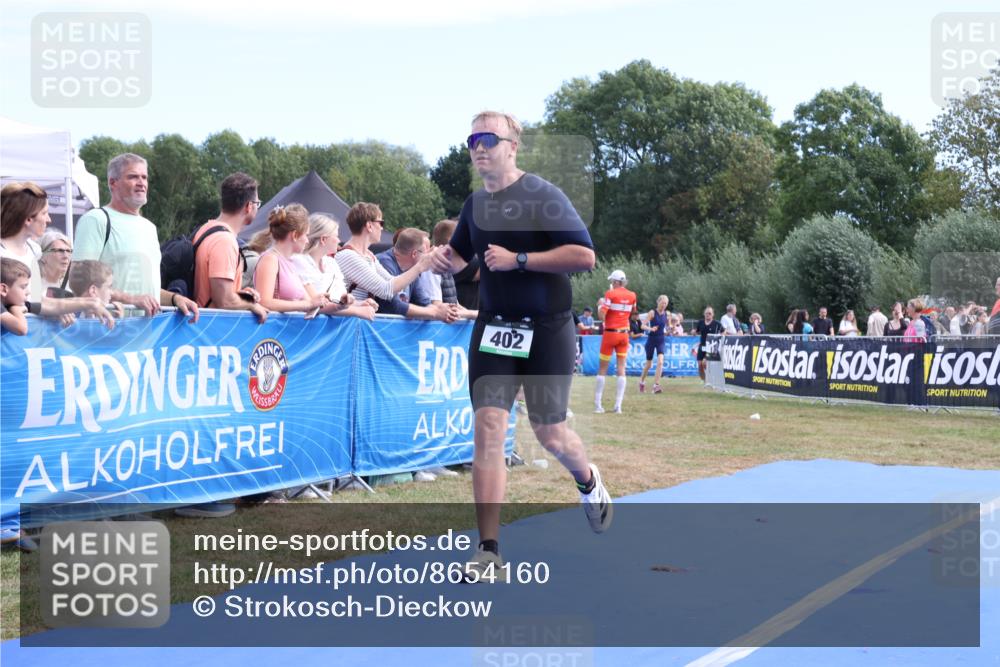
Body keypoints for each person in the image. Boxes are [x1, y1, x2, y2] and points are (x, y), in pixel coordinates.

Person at [428, 110, 611, 580]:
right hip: (494, 328)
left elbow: (584, 256)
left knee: (549, 433)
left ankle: (588, 480)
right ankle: (488, 550)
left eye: (488, 138)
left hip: (547, 328)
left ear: (512, 146)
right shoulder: (474, 204)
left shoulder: (543, 195)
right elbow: (461, 258)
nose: (478, 147)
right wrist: (444, 261)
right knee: (489, 428)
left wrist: (520, 260)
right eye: (472, 140)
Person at [72, 153, 199, 322]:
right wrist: (131, 300)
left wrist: (175, 299)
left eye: (144, 177)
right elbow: (79, 282)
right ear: (113, 183)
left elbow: (148, 293)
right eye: (133, 177)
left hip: (146, 333)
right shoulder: (96, 219)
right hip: (107, 331)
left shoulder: (149, 228)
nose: (141, 183)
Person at [336, 203, 453, 321]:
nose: (382, 228)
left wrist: (438, 309)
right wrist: (420, 266)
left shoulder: (368, 255)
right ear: (369, 226)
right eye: (380, 223)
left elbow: (392, 282)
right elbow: (386, 290)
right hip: (347, 324)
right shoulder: (349, 255)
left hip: (354, 323)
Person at [191, 172, 268, 322]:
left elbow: (211, 290)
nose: (257, 208)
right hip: (212, 327)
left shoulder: (206, 228)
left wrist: (240, 295)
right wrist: (251, 305)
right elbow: (224, 300)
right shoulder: (224, 241)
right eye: (257, 204)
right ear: (249, 206)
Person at [291, 213, 377, 320]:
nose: (339, 240)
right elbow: (315, 304)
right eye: (336, 236)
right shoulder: (299, 261)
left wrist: (360, 304)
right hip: (300, 326)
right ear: (323, 239)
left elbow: (340, 300)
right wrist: (357, 311)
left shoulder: (331, 263)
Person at [253, 204, 332, 316]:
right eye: (306, 235)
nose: (307, 241)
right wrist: (309, 304)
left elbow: (308, 302)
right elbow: (264, 302)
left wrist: (321, 300)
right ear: (295, 235)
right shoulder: (270, 259)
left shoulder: (289, 262)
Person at [375, 228, 457, 321]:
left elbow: (423, 302)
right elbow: (395, 306)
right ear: (414, 254)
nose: (427, 256)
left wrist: (444, 310)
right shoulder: (384, 263)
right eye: (425, 252)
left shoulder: (412, 268)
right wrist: (435, 312)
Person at [594, 269, 637, 413]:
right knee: (621, 369)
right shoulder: (632, 295)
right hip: (624, 334)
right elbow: (633, 313)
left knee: (602, 369)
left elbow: (602, 316)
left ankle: (598, 405)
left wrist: (600, 305)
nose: (611, 283)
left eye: (612, 281)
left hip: (610, 334)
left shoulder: (610, 293)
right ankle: (618, 406)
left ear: (616, 282)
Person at [0, 182, 49, 301]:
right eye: (44, 213)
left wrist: (80, 302)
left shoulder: (35, 250)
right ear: (28, 219)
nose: (48, 219)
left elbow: (36, 299)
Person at [639, 294, 670, 394]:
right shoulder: (652, 313)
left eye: (665, 303)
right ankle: (642, 382)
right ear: (658, 302)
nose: (664, 305)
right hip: (651, 340)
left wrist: (670, 329)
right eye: (662, 303)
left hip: (661, 340)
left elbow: (668, 327)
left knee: (660, 362)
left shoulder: (667, 314)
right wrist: (650, 329)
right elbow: (642, 326)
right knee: (649, 364)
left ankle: (656, 386)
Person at [37, 230, 74, 297]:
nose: (66, 256)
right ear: (42, 256)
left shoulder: (73, 284)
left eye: (68, 251)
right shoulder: (30, 284)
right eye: (59, 250)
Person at [692, 306, 723, 382]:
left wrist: (720, 337)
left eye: (710, 313)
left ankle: (711, 379)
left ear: (713, 314)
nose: (708, 315)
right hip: (702, 346)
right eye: (706, 313)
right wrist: (693, 332)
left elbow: (724, 331)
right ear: (704, 314)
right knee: (700, 364)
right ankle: (705, 380)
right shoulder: (701, 322)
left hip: (712, 347)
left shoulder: (717, 324)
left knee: (705, 363)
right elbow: (696, 331)